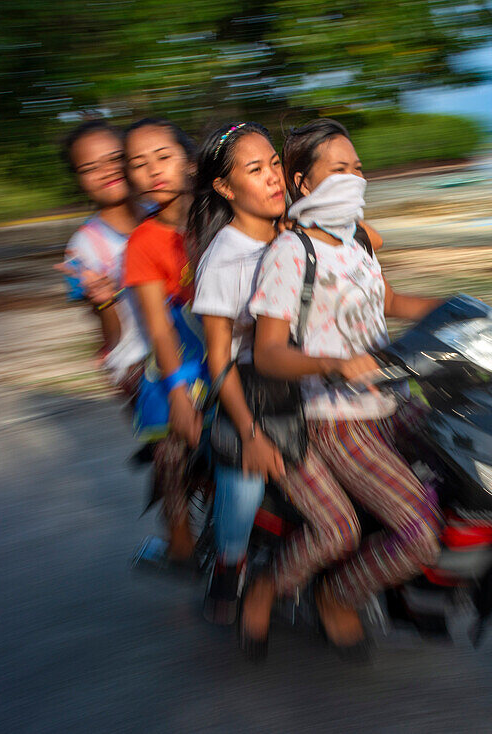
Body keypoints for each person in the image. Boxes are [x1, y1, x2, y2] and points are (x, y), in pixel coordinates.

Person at [244, 118, 444, 653]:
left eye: (358, 167)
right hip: (335, 420)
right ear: (303, 183)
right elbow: (268, 352)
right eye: (340, 169)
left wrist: (452, 309)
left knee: (468, 463)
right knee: (414, 533)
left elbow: (390, 303)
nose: (355, 177)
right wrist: (334, 364)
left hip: (394, 400)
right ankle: (333, 594)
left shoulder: (357, 239)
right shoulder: (291, 254)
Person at [188, 122, 286, 629]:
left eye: (275, 163)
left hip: (303, 378)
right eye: (256, 169)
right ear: (226, 189)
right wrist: (248, 433)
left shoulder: (295, 230)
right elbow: (218, 360)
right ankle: (230, 562)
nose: (274, 177)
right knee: (247, 480)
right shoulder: (224, 260)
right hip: (245, 392)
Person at [121, 118, 203, 564]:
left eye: (164, 157)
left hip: (235, 332)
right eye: (139, 164)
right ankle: (178, 532)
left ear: (190, 164)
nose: (153, 170)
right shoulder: (143, 242)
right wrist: (177, 392)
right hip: (184, 344)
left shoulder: (225, 215)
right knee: (171, 442)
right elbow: (157, 325)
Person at [58, 120, 148, 394]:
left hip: (193, 354)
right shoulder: (82, 248)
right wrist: (104, 301)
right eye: (90, 168)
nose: (106, 171)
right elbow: (111, 337)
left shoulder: (163, 211)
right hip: (140, 370)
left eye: (115, 159)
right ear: (78, 179)